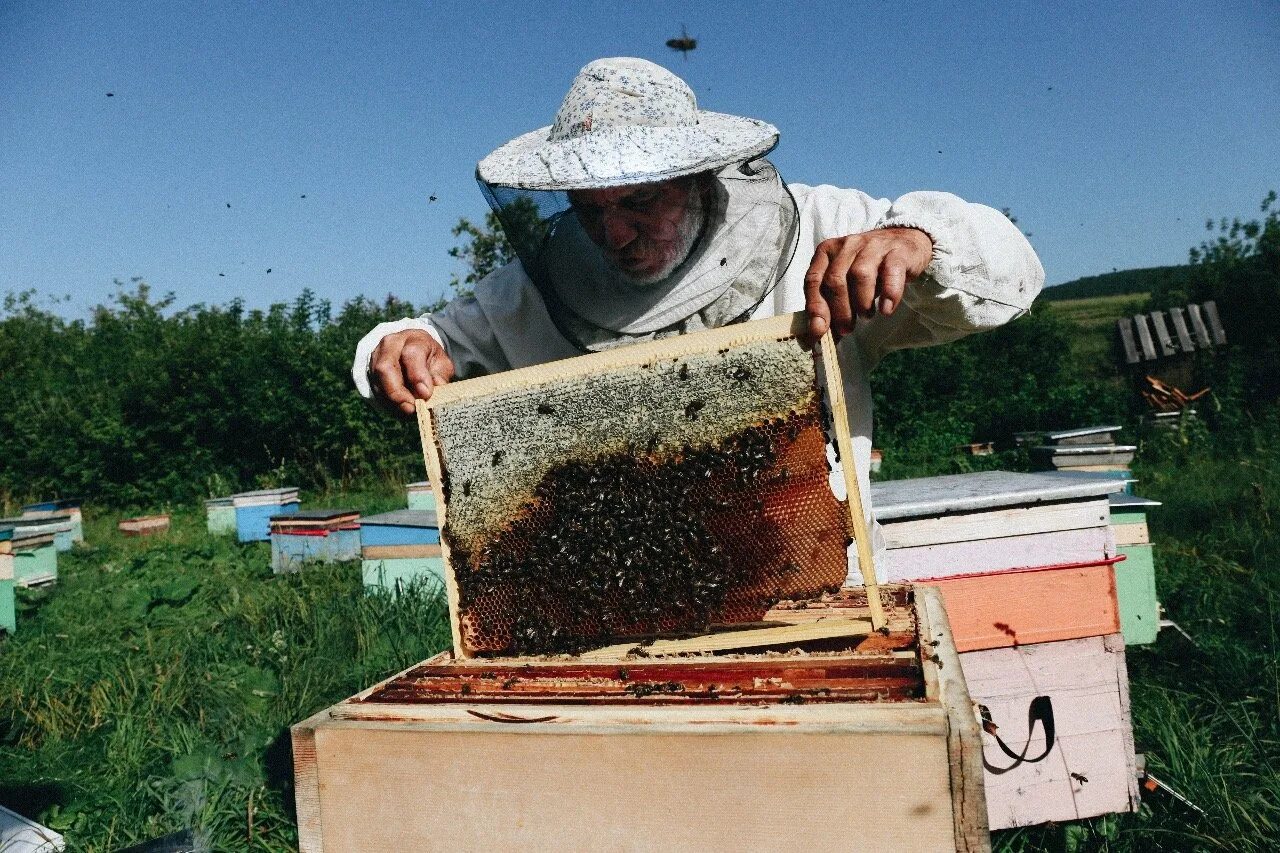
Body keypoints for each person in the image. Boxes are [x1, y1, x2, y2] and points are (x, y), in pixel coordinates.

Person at [352, 57, 1043, 572]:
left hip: (816, 589)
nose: (613, 234)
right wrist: (402, 344)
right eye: (590, 210)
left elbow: (1013, 273)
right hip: (617, 612)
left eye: (640, 201)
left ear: (696, 176)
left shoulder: (822, 227)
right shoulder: (539, 287)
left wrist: (919, 241)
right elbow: (427, 340)